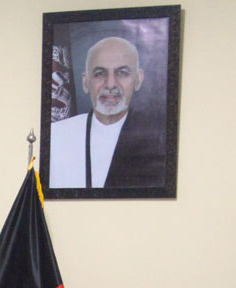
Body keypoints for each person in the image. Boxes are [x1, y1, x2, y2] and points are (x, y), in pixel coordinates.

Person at [47, 36, 164, 190]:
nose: (110, 84)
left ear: (138, 79)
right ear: (85, 82)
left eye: (122, 73)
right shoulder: (57, 136)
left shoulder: (158, 138)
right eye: (100, 73)